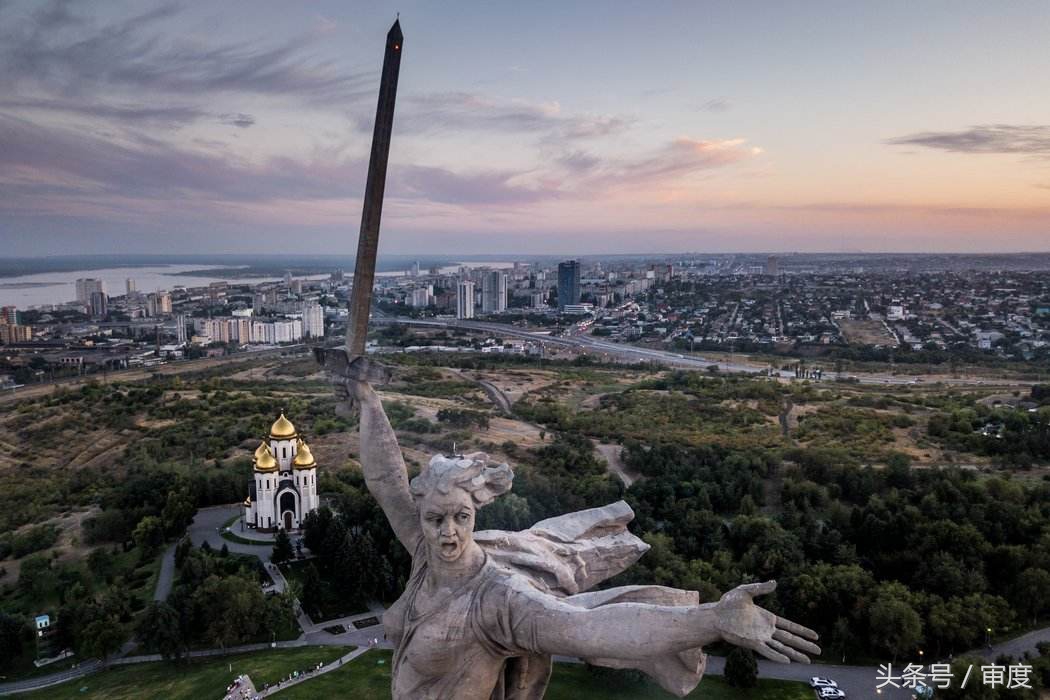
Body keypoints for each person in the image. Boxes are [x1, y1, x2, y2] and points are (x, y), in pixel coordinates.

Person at [337, 373, 820, 700]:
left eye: (461, 517)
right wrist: (370, 402)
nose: (448, 533)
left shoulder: (500, 601)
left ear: (476, 514)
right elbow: (385, 483)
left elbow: (593, 629)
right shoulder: (423, 556)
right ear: (422, 519)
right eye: (435, 518)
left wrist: (712, 620)